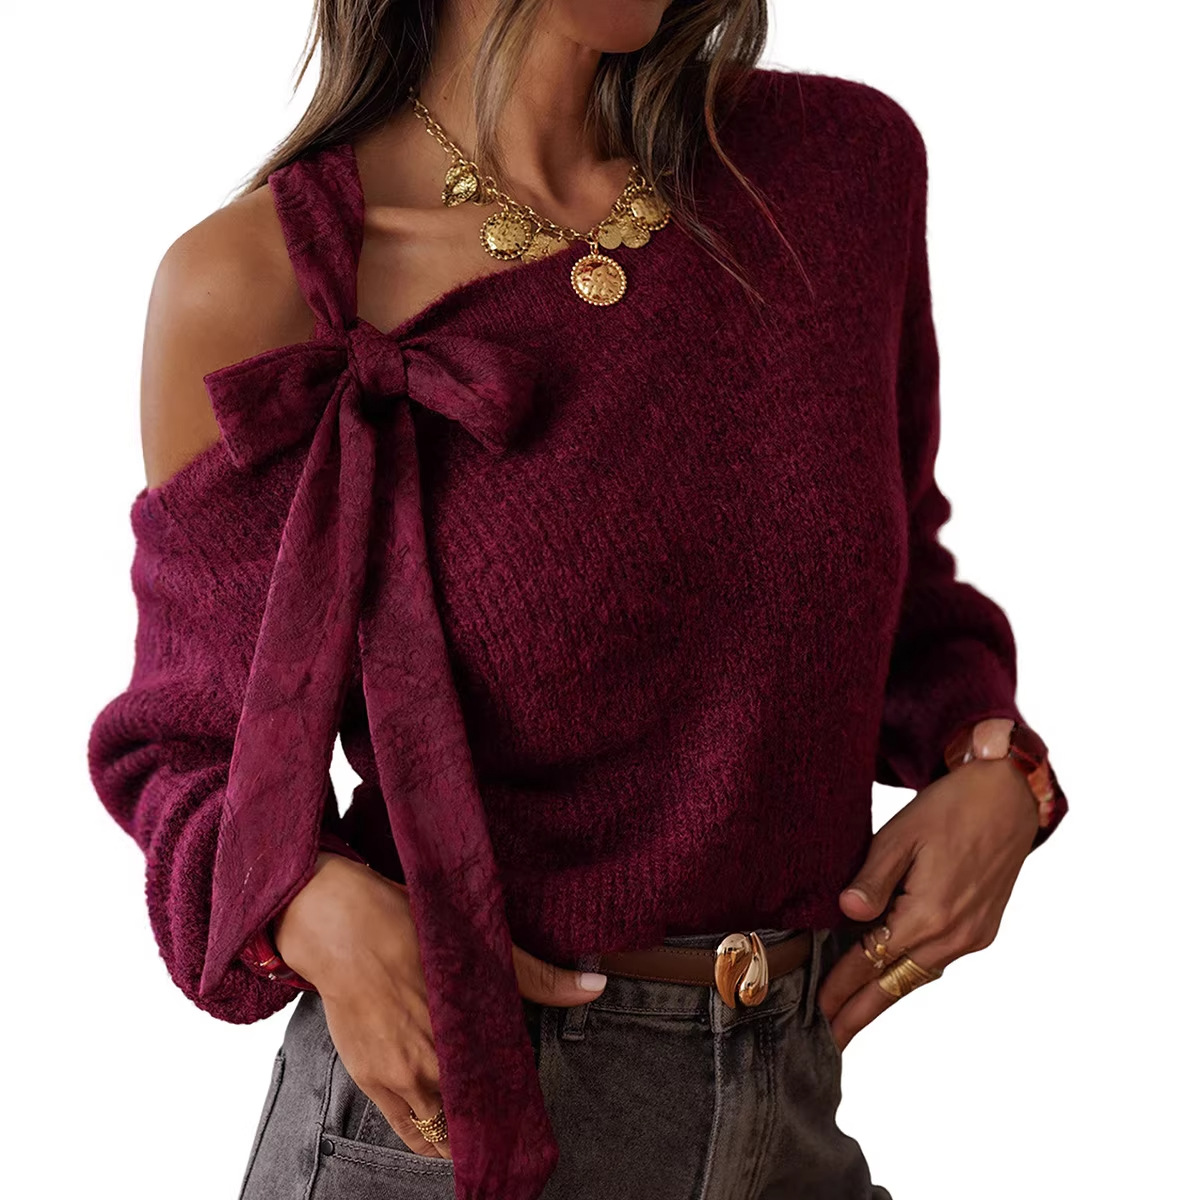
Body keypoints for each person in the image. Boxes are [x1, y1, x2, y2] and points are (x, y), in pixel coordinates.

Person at [86, 2, 1069, 1199]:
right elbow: (189, 749)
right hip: (453, 1126)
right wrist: (306, 902)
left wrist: (992, 766)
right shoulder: (265, 282)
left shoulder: (837, 171)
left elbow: (893, 583)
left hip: (794, 1112)